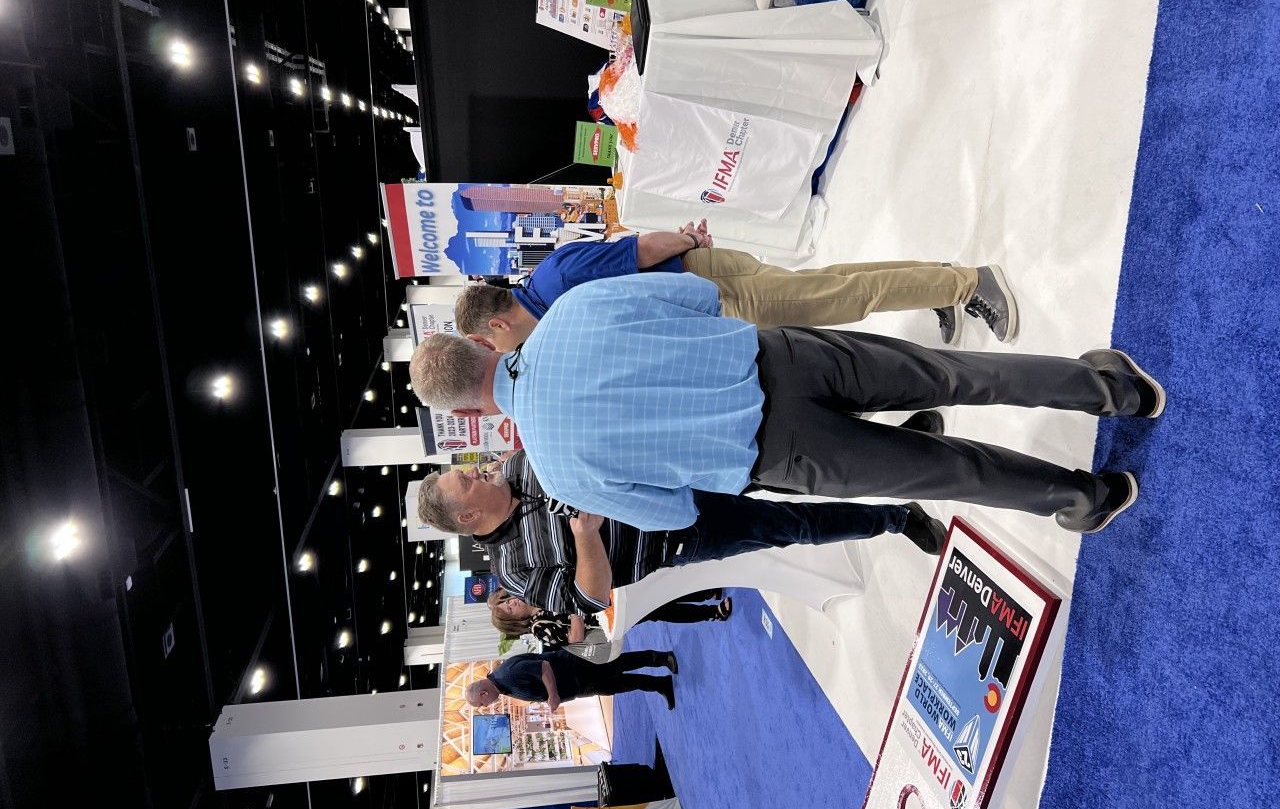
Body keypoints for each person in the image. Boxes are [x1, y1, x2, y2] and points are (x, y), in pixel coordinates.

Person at [409, 272, 1165, 535]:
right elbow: (697, 295)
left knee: (946, 473)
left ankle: (1081, 494)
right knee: (953, 372)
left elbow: (675, 512)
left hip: (780, 457)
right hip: (783, 358)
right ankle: (1109, 389)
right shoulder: (571, 312)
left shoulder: (561, 472)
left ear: (470, 419)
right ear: (484, 345)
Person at [414, 449, 947, 618]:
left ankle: (897, 451)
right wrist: (585, 534)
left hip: (683, 470)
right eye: (468, 480)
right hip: (685, 536)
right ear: (466, 518)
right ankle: (899, 518)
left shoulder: (526, 463)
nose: (479, 470)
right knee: (795, 526)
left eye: (469, 468)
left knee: (794, 464)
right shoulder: (513, 568)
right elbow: (589, 599)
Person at [453, 220, 1015, 349]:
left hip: (714, 288)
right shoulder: (550, 293)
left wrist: (689, 243)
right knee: (832, 284)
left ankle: (968, 284)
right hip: (707, 290)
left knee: (842, 298)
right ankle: (941, 281)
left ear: (495, 323)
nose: (497, 352)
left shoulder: (557, 281)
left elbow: (640, 250)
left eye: (488, 344)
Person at [487, 588, 733, 650]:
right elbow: (575, 639)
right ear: (514, 623)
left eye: (506, 602)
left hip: (603, 598)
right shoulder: (540, 629)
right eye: (508, 610)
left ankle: (707, 593)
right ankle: (712, 614)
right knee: (659, 611)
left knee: (657, 597)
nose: (511, 604)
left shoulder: (534, 597)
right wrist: (575, 612)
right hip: (606, 616)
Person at [466, 649, 679, 711]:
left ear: (483, 694)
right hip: (577, 684)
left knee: (619, 665)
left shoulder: (507, 674)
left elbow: (543, 667)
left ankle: (661, 658)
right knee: (620, 684)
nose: (486, 706)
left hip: (575, 668)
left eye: (482, 704)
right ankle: (660, 684)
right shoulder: (503, 684)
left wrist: (553, 695)